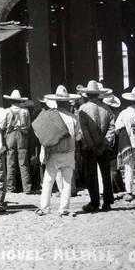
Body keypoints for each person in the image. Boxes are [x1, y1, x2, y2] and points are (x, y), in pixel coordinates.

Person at [33, 86, 82, 217]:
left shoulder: (49, 116)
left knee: (48, 181)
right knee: (67, 183)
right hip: (69, 153)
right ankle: (64, 208)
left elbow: (41, 133)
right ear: (67, 102)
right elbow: (78, 137)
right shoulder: (73, 118)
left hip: (53, 153)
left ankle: (45, 207)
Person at [76, 80, 116, 212]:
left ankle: (94, 202)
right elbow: (111, 128)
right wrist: (105, 143)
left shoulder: (83, 109)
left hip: (89, 148)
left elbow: (84, 131)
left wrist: (92, 145)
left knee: (91, 175)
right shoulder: (107, 109)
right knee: (105, 174)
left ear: (87, 94)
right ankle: (108, 202)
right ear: (98, 95)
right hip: (103, 146)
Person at [2, 89, 34, 194]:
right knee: (23, 162)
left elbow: (2, 126)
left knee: (10, 161)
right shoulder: (25, 111)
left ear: (11, 101)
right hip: (22, 135)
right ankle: (27, 187)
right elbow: (29, 125)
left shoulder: (6, 111)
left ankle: (11, 187)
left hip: (10, 135)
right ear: (20, 101)